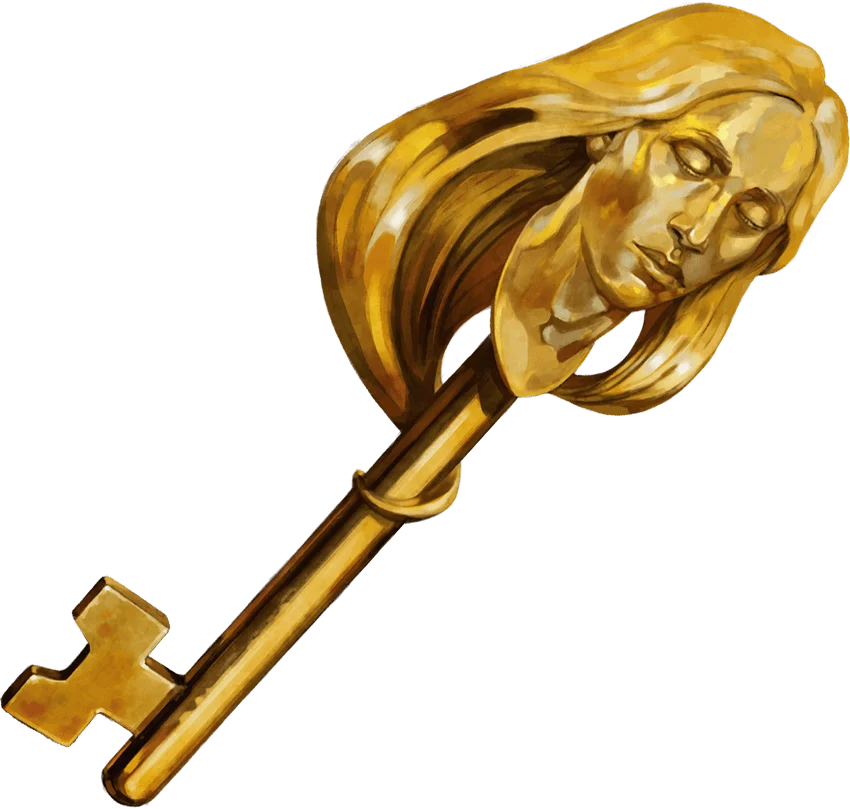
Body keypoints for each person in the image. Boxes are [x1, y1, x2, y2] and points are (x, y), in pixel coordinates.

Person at [314, 2, 848, 424]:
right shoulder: (393, 271)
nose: (697, 230)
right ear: (610, 132)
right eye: (692, 162)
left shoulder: (629, 394)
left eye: (751, 218)